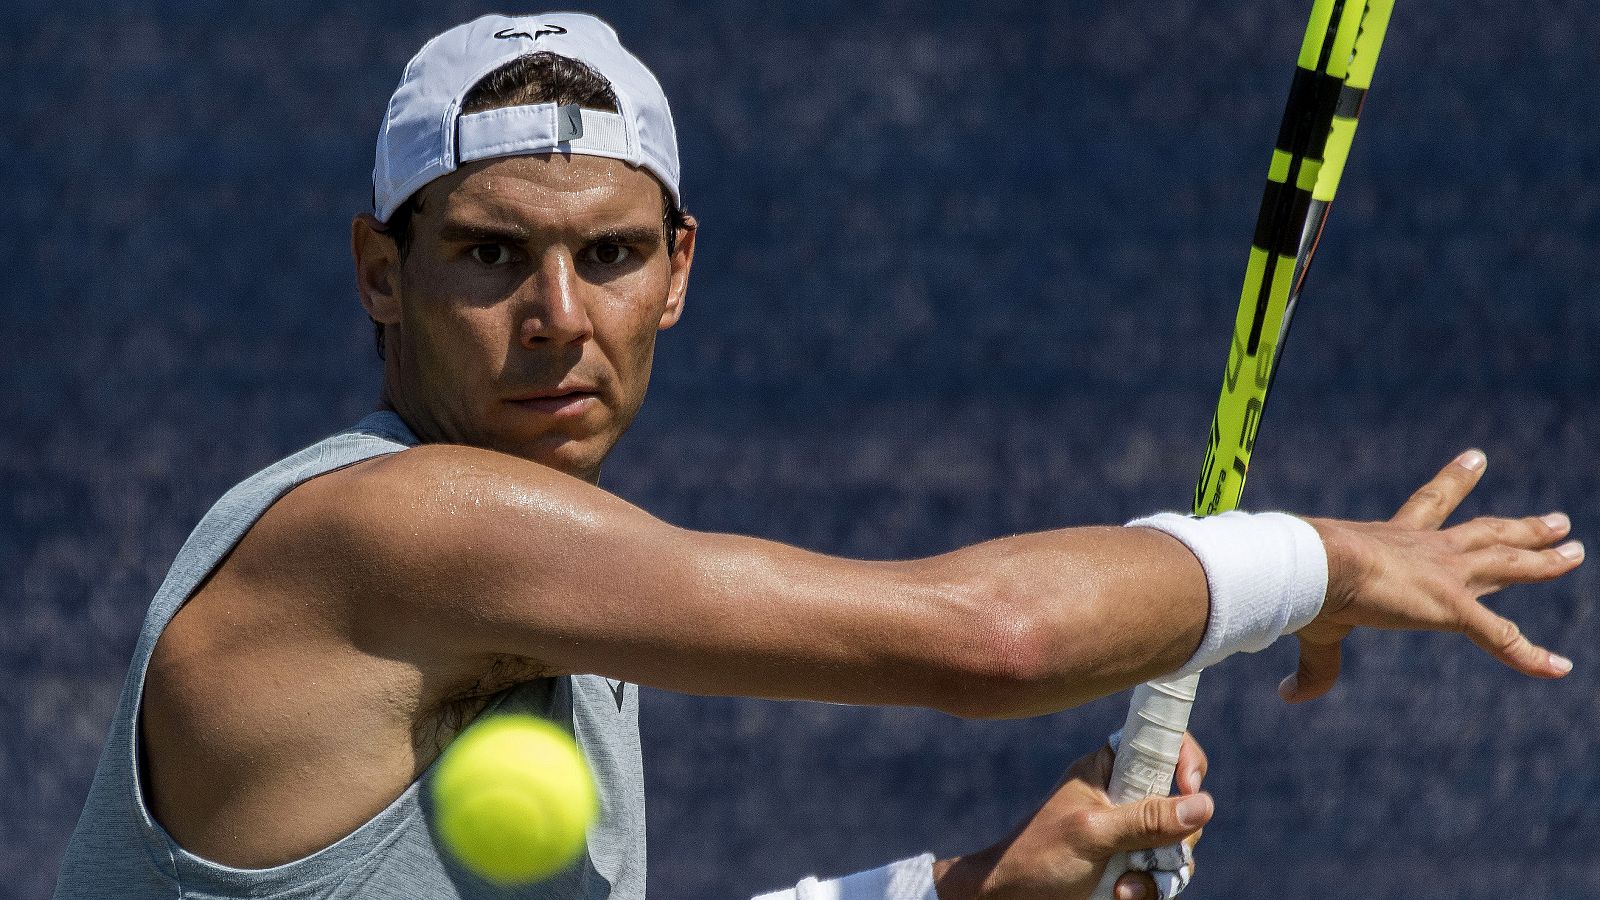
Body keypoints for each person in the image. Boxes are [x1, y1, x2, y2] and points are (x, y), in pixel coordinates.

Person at [54, 12, 1582, 900]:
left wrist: (956, 892)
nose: (557, 318)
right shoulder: (399, 531)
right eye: (487, 256)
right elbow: (992, 643)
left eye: (609, 253)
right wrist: (1315, 560)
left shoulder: (546, 595)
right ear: (381, 276)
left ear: (680, 271)